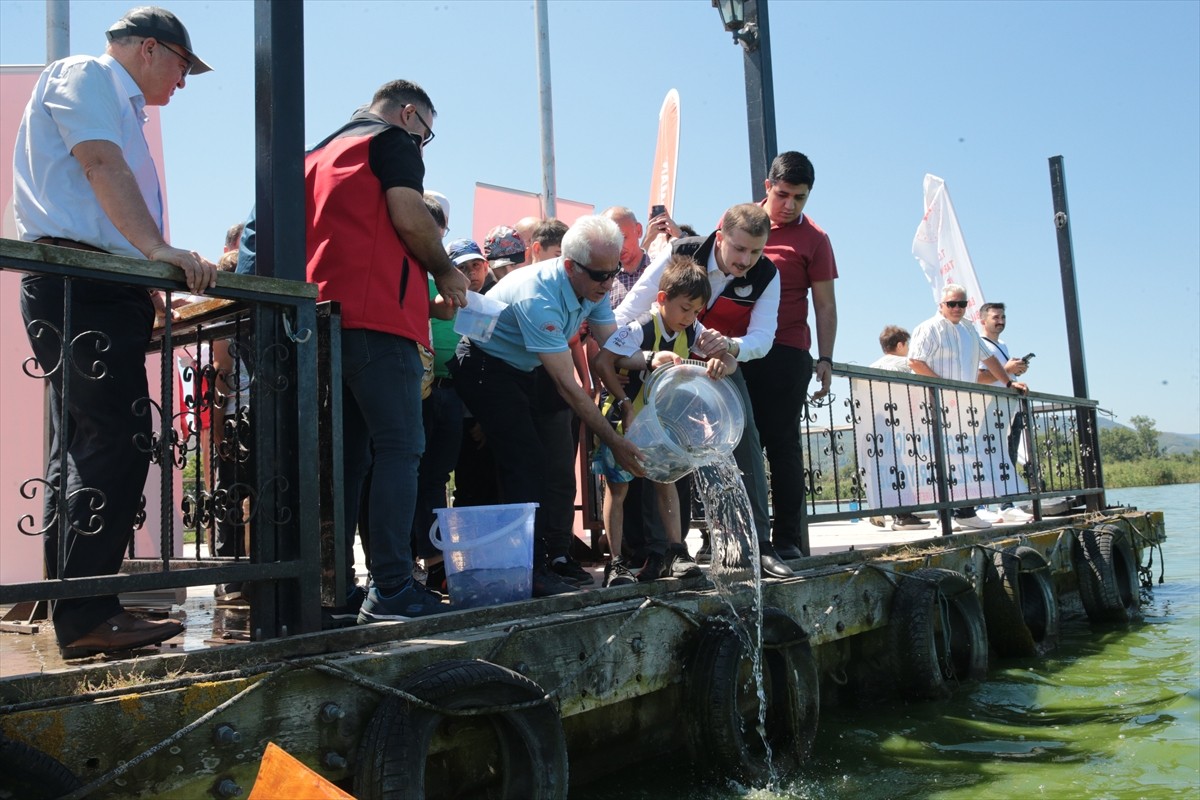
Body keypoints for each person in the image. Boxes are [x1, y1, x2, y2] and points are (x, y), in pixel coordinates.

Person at [13, 5, 216, 656]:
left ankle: (80, 610)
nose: (183, 82)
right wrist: (157, 251)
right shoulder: (90, 75)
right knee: (115, 441)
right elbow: (100, 165)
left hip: (94, 283)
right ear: (150, 48)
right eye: (183, 65)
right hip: (84, 283)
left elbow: (101, 186)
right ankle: (87, 613)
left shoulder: (114, 98)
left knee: (87, 445)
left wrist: (144, 278)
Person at [303, 78, 469, 623]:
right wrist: (445, 268)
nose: (422, 145)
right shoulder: (391, 140)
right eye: (425, 135)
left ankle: (334, 591)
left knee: (347, 460)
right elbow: (407, 212)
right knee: (401, 448)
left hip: (322, 321)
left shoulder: (316, 154)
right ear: (408, 115)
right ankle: (393, 586)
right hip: (378, 319)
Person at [450, 215, 646, 597]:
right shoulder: (538, 297)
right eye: (600, 276)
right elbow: (569, 388)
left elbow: (615, 347)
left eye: (614, 273)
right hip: (484, 364)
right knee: (526, 461)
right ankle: (532, 570)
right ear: (570, 266)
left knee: (540, 463)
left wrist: (657, 359)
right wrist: (615, 442)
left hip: (520, 367)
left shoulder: (592, 286)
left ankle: (545, 560)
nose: (608, 284)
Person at [616, 203, 795, 579]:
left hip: (719, 365)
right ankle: (663, 552)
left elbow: (763, 338)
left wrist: (729, 347)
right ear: (720, 235)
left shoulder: (768, 274)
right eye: (739, 248)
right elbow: (633, 307)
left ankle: (757, 546)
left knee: (745, 441)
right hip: (665, 362)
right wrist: (618, 353)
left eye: (755, 251)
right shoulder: (681, 251)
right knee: (660, 450)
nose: (746, 260)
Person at [593, 255, 731, 586]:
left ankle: (676, 551)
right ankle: (616, 562)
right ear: (662, 299)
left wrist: (722, 362)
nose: (690, 317)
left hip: (659, 425)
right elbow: (602, 362)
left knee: (665, 482)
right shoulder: (639, 327)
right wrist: (625, 401)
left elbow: (727, 358)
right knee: (618, 489)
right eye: (685, 308)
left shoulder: (692, 329)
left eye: (696, 311)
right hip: (624, 421)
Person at [742, 151, 839, 562]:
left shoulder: (815, 238)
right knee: (731, 444)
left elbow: (826, 305)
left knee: (782, 447)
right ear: (768, 187)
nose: (790, 205)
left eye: (800, 197)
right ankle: (734, 537)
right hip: (736, 351)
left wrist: (826, 358)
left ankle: (785, 540)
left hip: (786, 351)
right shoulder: (739, 222)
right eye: (783, 194)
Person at [908, 285, 1029, 530]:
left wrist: (1008, 382)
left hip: (964, 406)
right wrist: (944, 387)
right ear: (941, 304)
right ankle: (945, 516)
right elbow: (915, 361)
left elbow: (989, 358)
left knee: (966, 458)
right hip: (934, 403)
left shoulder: (969, 329)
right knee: (940, 459)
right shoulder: (928, 328)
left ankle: (965, 512)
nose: (957, 308)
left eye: (961, 304)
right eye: (951, 303)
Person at [865, 326, 928, 532]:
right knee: (905, 469)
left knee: (883, 468)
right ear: (900, 345)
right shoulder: (906, 365)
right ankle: (904, 516)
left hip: (876, 425)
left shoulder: (872, 367)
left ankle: (879, 508)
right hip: (902, 422)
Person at [977, 302, 1034, 522]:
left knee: (1007, 455)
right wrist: (1007, 370)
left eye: (1003, 317)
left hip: (1009, 408)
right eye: (996, 317)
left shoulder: (1002, 345)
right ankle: (980, 505)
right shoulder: (979, 344)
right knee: (983, 456)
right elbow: (978, 377)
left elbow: (1002, 375)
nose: (1000, 321)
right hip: (987, 408)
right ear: (983, 320)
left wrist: (1014, 372)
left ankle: (1006, 504)